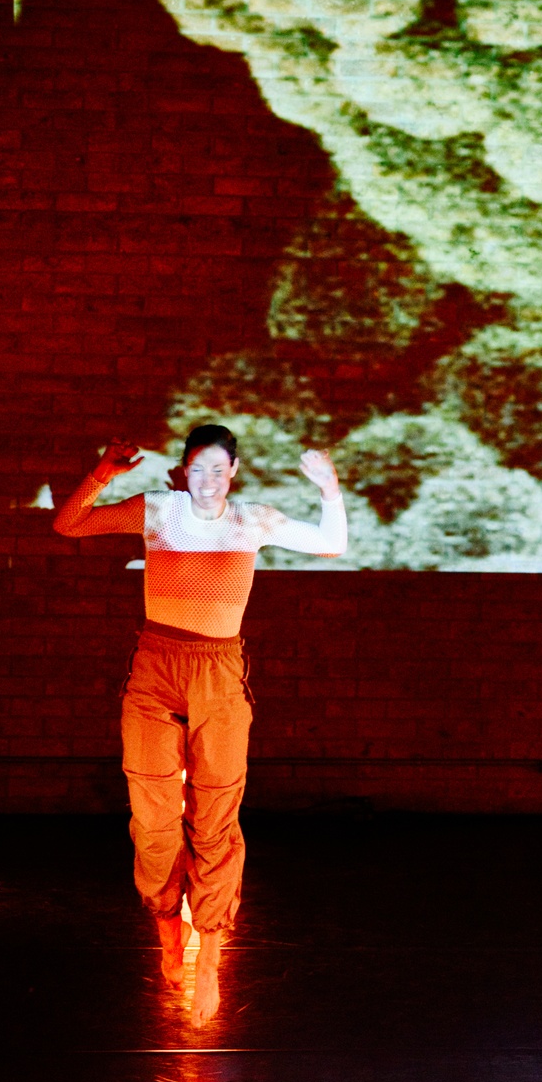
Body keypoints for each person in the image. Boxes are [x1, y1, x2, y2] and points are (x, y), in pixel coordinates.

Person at [53, 425, 347, 1024]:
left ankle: (208, 950)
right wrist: (104, 472)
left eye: (218, 469)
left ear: (233, 471)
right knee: (153, 817)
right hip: (156, 668)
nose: (207, 479)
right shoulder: (159, 511)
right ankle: (168, 928)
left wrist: (329, 488)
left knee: (215, 818)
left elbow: (330, 545)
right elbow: (69, 524)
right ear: (183, 470)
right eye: (197, 468)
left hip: (219, 672)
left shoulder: (251, 519)